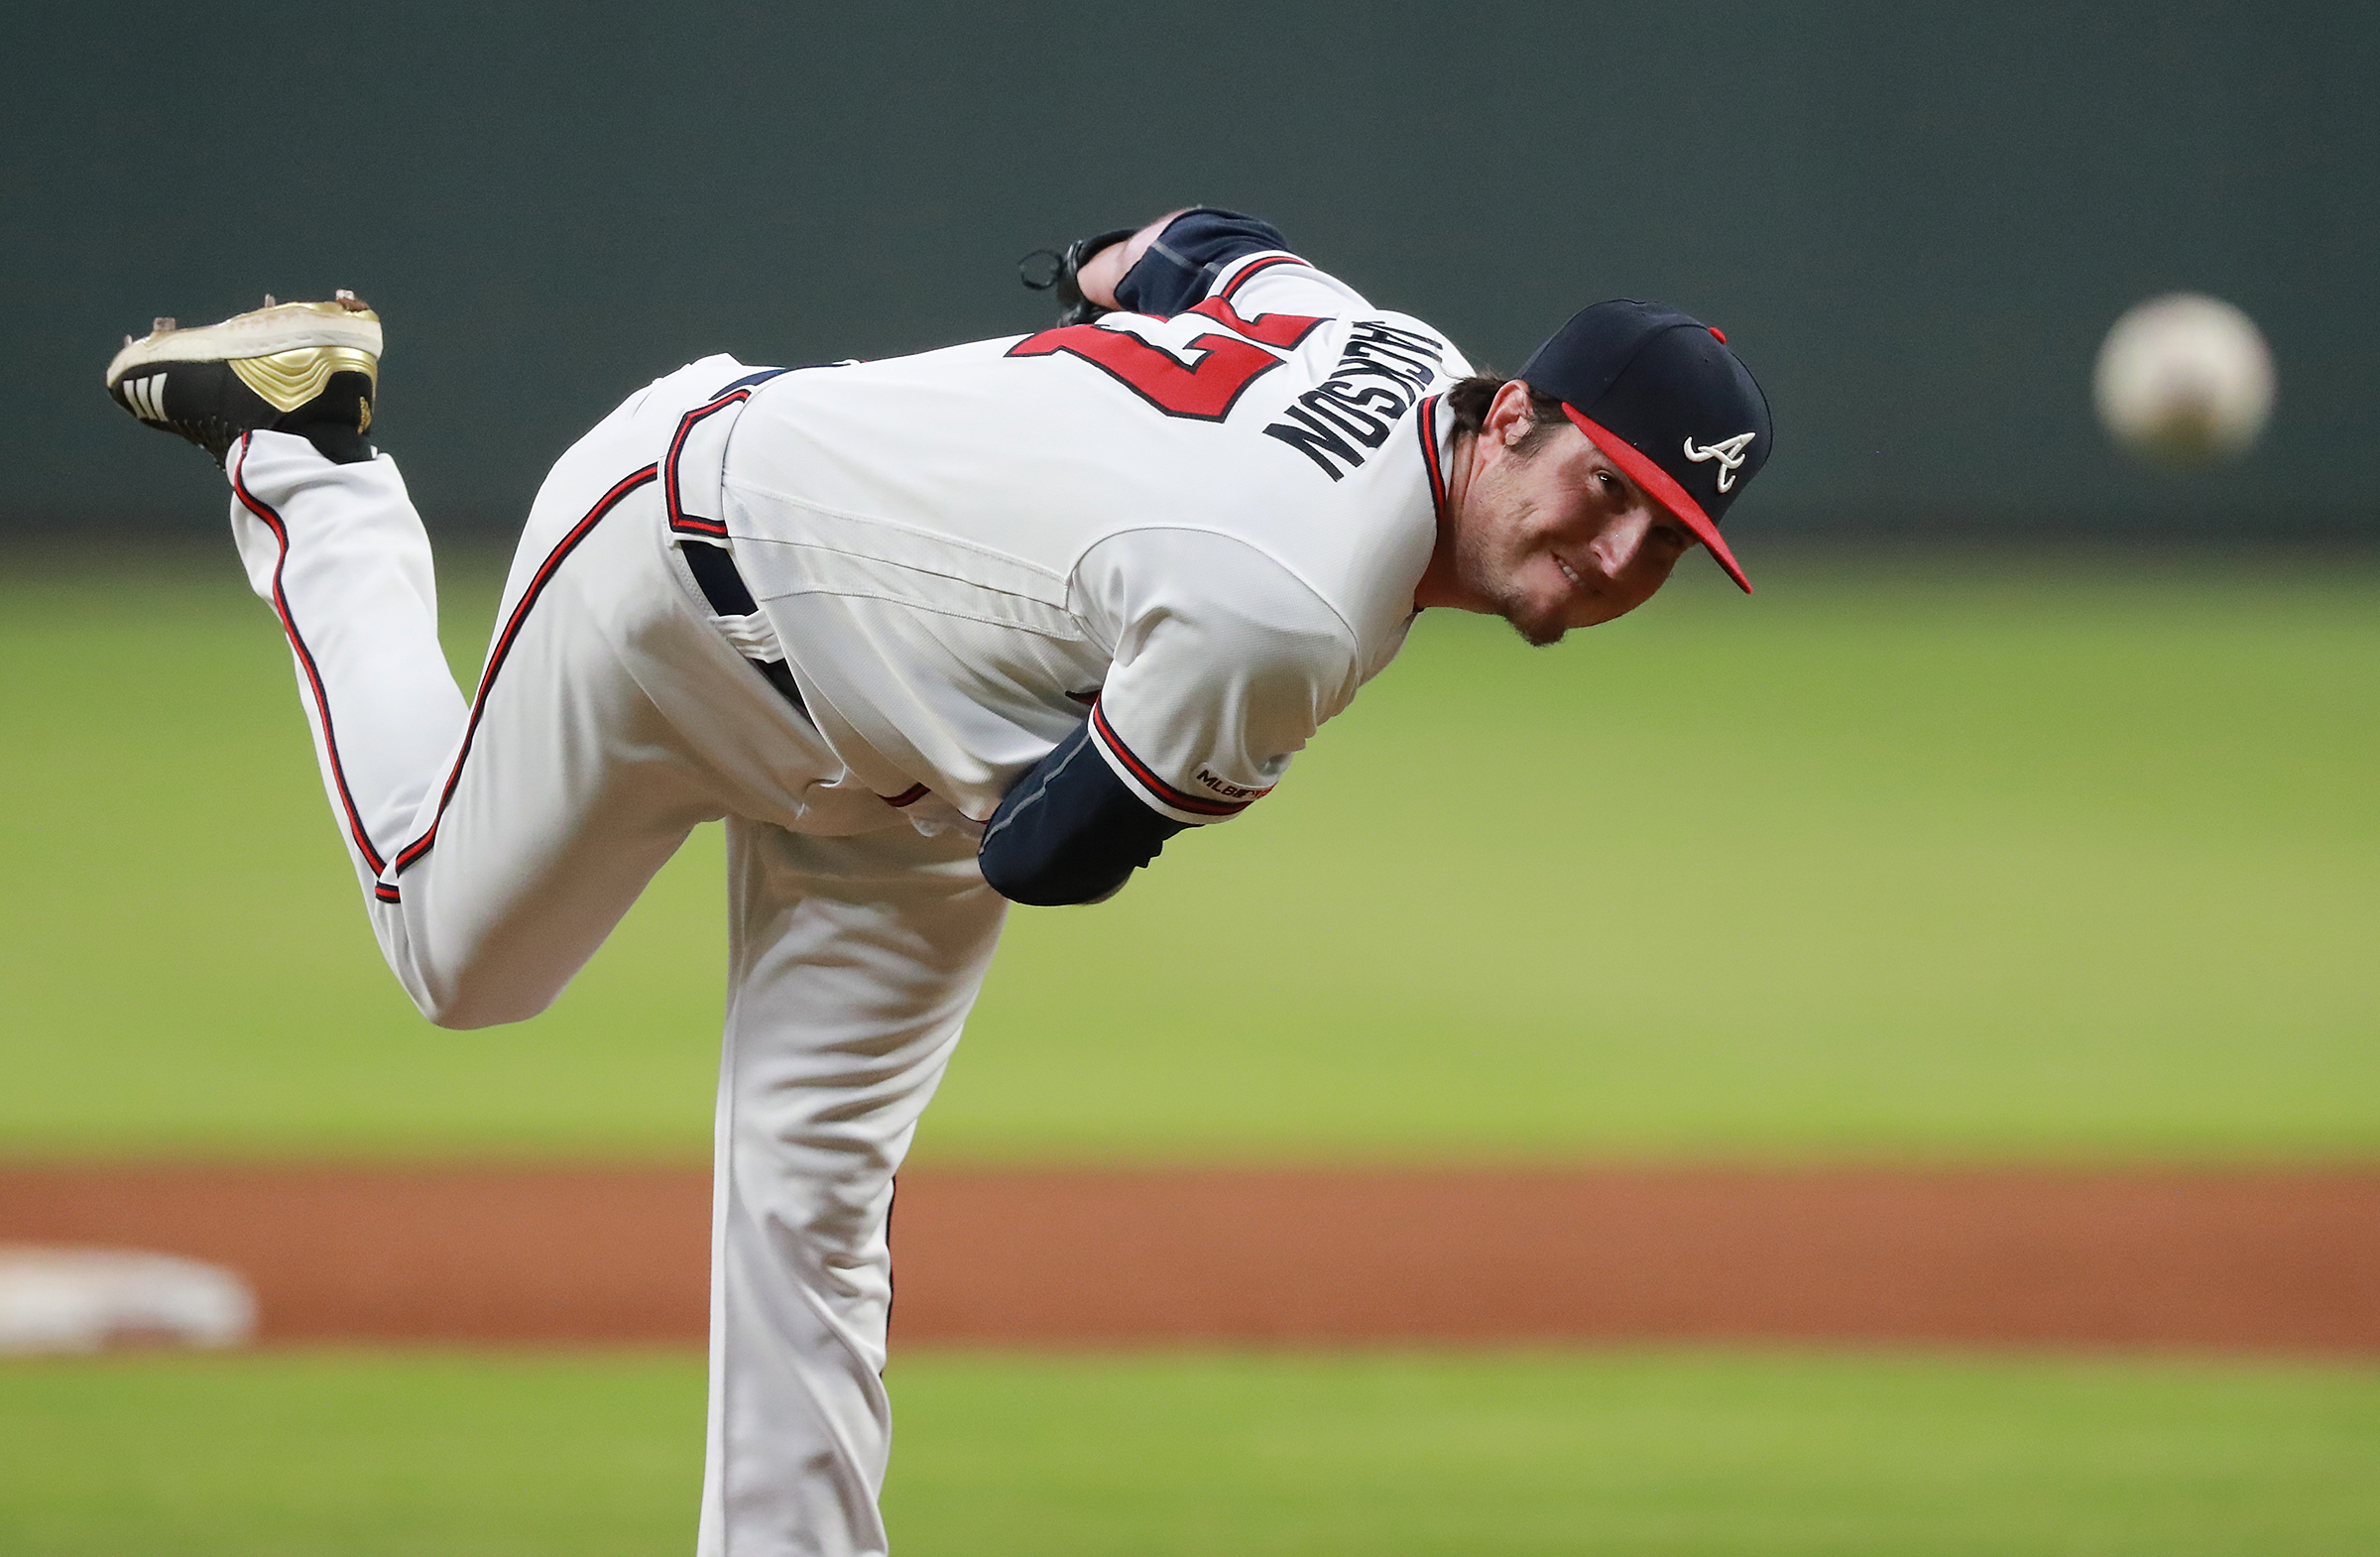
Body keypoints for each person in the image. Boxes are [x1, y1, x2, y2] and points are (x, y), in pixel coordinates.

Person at [102, 207, 1772, 1556]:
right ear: (1513, 412)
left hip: (902, 736)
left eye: (1670, 542)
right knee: (455, 953)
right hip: (686, 581)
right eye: (1610, 489)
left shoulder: (1382, 341)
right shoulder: (1293, 610)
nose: (1621, 555)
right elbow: (1046, 851)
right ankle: (312, 458)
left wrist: (1092, 344)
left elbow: (1174, 245)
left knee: (813, 1202)